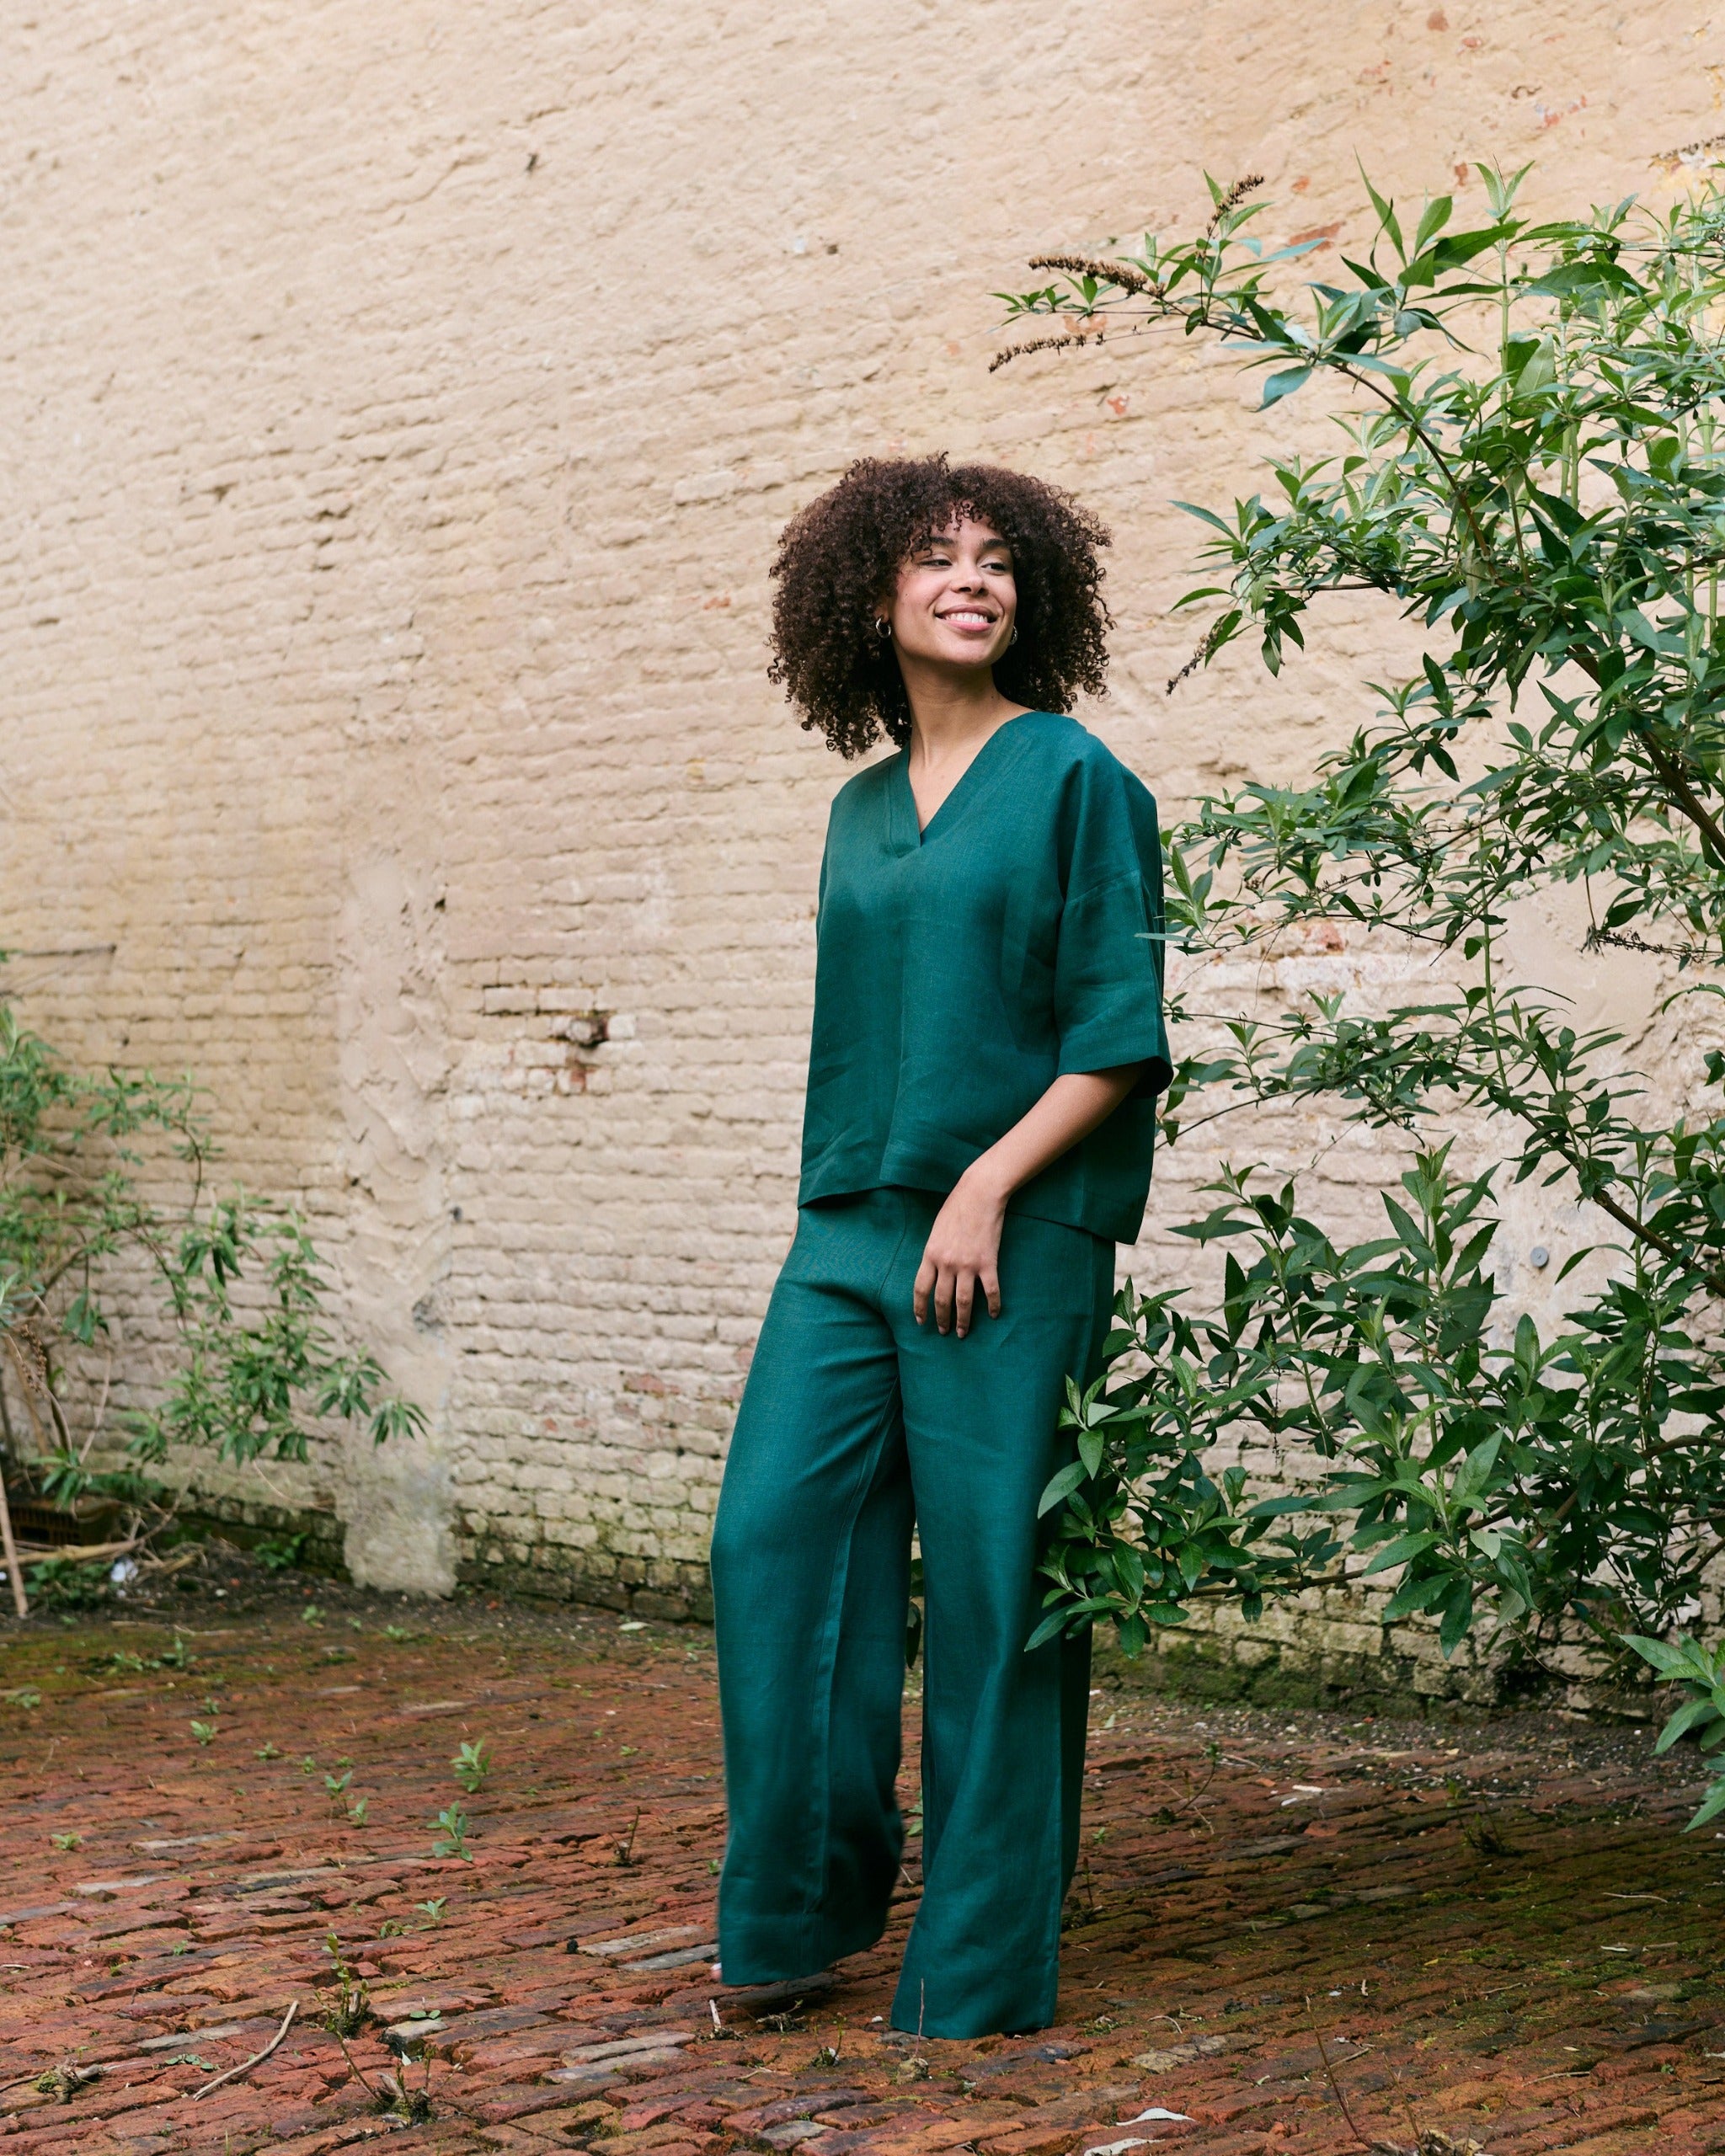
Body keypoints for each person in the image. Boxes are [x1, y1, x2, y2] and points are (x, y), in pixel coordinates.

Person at [710, 453, 1171, 2039]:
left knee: (994, 1591)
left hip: (1014, 1234)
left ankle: (974, 1970)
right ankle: (795, 1911)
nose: (971, 581)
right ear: (871, 598)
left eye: (996, 561)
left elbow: (1121, 1033)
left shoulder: (1075, 780)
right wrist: (887, 1194)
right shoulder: (853, 810)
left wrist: (982, 1187)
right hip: (844, 1230)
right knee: (771, 1548)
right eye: (934, 559)